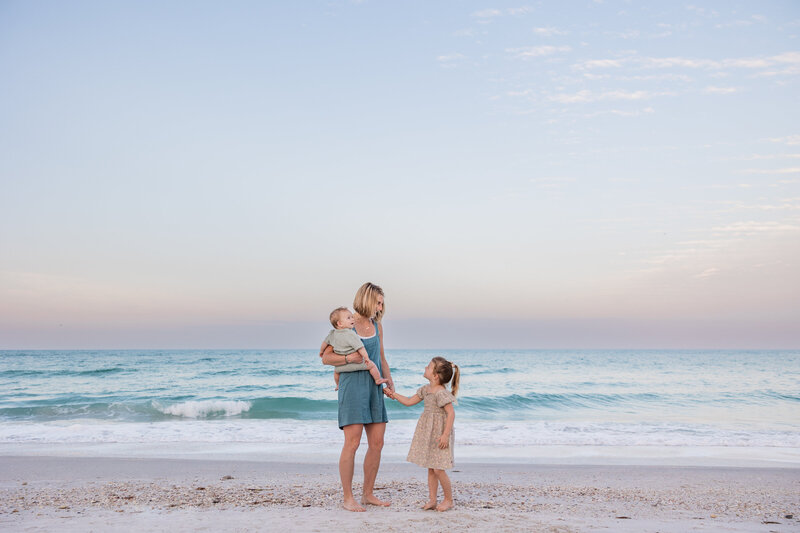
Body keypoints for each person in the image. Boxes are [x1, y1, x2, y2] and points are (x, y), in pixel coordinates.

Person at [321, 282, 394, 512]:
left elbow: (380, 357)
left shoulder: (377, 326)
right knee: (352, 444)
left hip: (374, 387)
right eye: (377, 302)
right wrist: (347, 360)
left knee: (377, 443)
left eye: (382, 303)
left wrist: (389, 380)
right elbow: (325, 357)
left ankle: (368, 494)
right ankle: (348, 498)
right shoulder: (346, 323)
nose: (380, 307)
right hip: (352, 388)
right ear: (366, 299)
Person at [384, 357, 460, 512]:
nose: (425, 367)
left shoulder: (441, 393)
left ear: (435, 375)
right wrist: (393, 394)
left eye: (429, 366)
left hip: (440, 434)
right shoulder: (426, 389)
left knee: (439, 468)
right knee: (431, 467)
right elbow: (409, 401)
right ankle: (432, 500)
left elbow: (451, 414)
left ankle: (449, 499)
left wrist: (445, 435)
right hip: (428, 432)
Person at [320, 306, 388, 390]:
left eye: (352, 317)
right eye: (349, 318)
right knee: (372, 365)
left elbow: (325, 343)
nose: (352, 319)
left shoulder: (332, 333)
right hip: (356, 363)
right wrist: (366, 358)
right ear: (339, 323)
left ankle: (337, 385)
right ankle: (378, 379)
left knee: (336, 372)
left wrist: (321, 351)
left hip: (340, 367)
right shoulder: (351, 333)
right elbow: (360, 347)